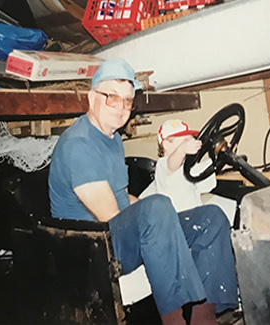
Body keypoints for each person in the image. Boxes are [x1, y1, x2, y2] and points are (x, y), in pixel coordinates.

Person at [47, 58, 238, 324]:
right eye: (112, 97)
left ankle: (203, 319)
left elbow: (122, 197)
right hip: (90, 247)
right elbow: (109, 217)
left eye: (127, 101)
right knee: (157, 208)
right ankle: (174, 321)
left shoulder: (113, 138)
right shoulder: (78, 145)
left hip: (115, 234)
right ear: (92, 98)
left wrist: (163, 212)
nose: (121, 108)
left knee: (211, 218)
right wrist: (158, 215)